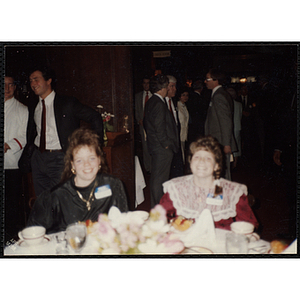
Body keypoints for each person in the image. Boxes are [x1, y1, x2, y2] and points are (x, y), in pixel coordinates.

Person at [20, 66, 103, 197]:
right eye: (30, 81)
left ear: (49, 81)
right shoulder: (33, 106)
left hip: (59, 158)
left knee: (61, 200)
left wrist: (95, 146)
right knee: (43, 201)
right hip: (38, 159)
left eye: (36, 79)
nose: (32, 84)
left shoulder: (67, 103)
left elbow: (95, 116)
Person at [27, 128, 128, 234]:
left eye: (92, 158)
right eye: (79, 160)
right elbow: (32, 233)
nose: (87, 164)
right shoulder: (56, 197)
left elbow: (124, 227)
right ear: (72, 165)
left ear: (99, 160)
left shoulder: (114, 185)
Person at [160, 136, 259, 230]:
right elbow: (158, 216)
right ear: (191, 162)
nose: (201, 161)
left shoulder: (230, 191)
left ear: (216, 166)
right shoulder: (178, 188)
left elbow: (249, 224)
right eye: (197, 157)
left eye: (208, 158)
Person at [143, 74, 179, 208]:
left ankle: (157, 207)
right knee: (159, 180)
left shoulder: (152, 101)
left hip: (156, 146)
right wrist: (166, 145)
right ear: (163, 88)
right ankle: (158, 208)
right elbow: (160, 128)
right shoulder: (158, 103)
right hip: (161, 148)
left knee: (157, 179)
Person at [4, 74, 29, 241]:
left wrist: (7, 145)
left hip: (11, 163)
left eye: (10, 85)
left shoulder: (22, 109)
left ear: (15, 87)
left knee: (11, 204)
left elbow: (24, 136)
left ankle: (10, 237)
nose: (7, 88)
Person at [204, 68, 237, 180]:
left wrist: (226, 144)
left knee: (221, 173)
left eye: (207, 79)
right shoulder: (219, 94)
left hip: (221, 142)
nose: (205, 81)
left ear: (216, 80)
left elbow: (225, 121)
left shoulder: (219, 96)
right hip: (218, 141)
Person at [166, 75, 184, 178]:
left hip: (175, 141)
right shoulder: (161, 103)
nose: (175, 89)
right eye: (172, 86)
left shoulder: (173, 101)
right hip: (168, 143)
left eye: (175, 86)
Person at [134, 76, 152, 173]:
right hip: (142, 125)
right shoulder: (138, 96)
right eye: (144, 83)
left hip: (152, 126)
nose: (146, 85)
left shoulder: (153, 96)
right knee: (145, 147)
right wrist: (138, 120)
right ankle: (148, 168)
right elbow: (136, 110)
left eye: (148, 83)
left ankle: (154, 167)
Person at [186, 79, 209, 144]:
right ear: (201, 88)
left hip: (191, 125)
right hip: (198, 125)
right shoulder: (201, 99)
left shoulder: (190, 97)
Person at [227, 87, 242, 169]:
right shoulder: (239, 104)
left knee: (230, 144)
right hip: (237, 126)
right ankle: (235, 163)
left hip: (231, 126)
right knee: (237, 145)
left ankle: (230, 162)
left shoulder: (228, 103)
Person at [177, 86, 189, 163]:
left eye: (187, 95)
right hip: (179, 133)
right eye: (183, 95)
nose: (185, 97)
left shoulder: (185, 106)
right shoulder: (177, 106)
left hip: (184, 133)